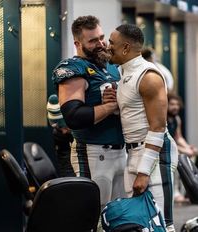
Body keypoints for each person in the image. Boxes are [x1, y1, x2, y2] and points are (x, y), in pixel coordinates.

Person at [105, 24, 178, 232]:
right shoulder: (125, 74)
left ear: (126, 48)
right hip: (133, 152)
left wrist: (143, 171)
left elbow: (158, 127)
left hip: (155, 155)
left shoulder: (149, 77)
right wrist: (116, 105)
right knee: (139, 223)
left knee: (161, 224)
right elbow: (136, 114)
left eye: (112, 43)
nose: (108, 47)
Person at [52, 15, 127, 210]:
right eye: (93, 41)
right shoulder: (73, 68)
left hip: (121, 151)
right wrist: (110, 106)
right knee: (94, 215)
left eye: (101, 37)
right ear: (77, 43)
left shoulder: (112, 66)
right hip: (94, 152)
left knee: (119, 215)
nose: (101, 44)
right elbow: (73, 117)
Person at [167, 92, 198, 203]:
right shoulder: (163, 118)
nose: (175, 107)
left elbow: (178, 137)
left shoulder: (177, 119)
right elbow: (169, 141)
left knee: (191, 155)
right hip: (164, 150)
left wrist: (189, 147)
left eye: (177, 104)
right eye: (172, 104)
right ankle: (175, 192)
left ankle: (188, 191)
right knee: (176, 161)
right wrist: (184, 150)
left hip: (173, 147)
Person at [46, 94, 75, 177]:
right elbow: (65, 165)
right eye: (59, 127)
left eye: (65, 127)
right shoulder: (58, 134)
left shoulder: (83, 128)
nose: (64, 132)